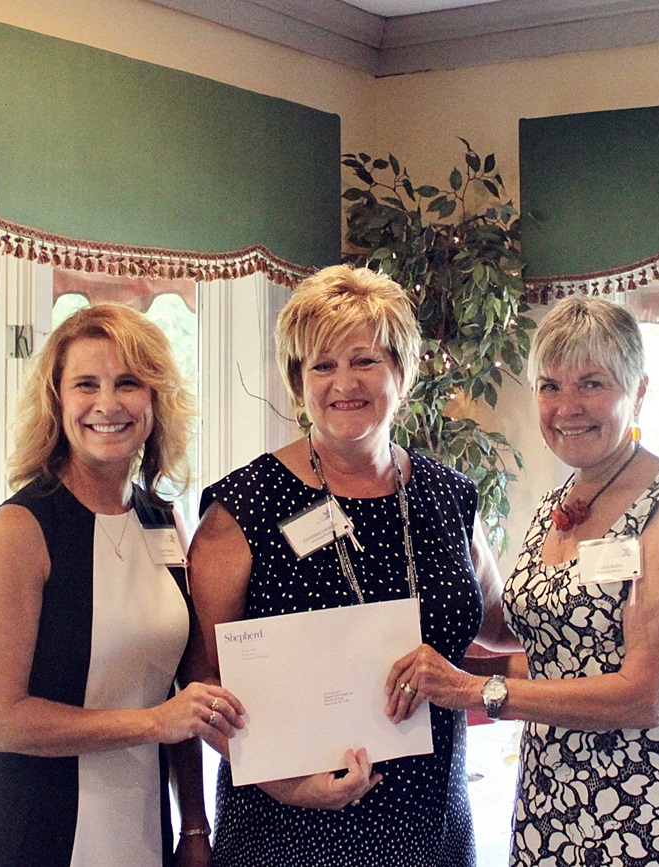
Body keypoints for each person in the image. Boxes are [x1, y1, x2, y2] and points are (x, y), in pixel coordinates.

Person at [386, 295, 659, 866]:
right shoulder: (561, 500)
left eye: (592, 383)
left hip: (656, 790)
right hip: (555, 781)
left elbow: (644, 696)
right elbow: (516, 628)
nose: (568, 406)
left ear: (638, 390)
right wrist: (448, 543)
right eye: (550, 386)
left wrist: (475, 691)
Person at [188, 264, 510, 867]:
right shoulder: (243, 508)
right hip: (289, 827)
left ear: (401, 372)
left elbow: (499, 624)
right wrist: (286, 784)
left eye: (366, 361)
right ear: (298, 380)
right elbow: (203, 685)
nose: (345, 382)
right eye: (322, 365)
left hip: (431, 825)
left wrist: (585, 577)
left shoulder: (448, 496)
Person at [0, 303, 244, 867]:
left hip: (143, 828)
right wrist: (153, 724)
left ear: (155, 400)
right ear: (57, 401)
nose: (108, 404)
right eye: (86, 384)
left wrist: (193, 826)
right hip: (31, 833)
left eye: (128, 382)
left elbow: (180, 691)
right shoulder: (19, 529)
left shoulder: (165, 521)